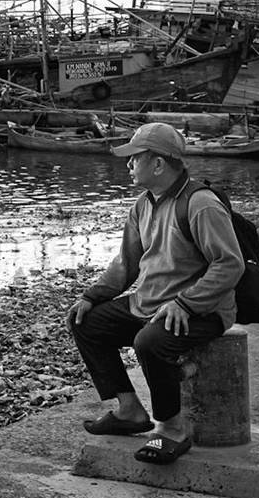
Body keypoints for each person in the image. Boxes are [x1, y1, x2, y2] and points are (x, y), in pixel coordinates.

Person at [67, 121, 244, 464]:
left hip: (204, 309)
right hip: (149, 303)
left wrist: (187, 303)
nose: (129, 165)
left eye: (135, 158)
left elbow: (229, 264)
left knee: (150, 341)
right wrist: (93, 295)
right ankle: (130, 411)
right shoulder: (142, 204)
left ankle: (171, 429)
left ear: (159, 164)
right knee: (85, 323)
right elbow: (126, 264)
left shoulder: (200, 203)